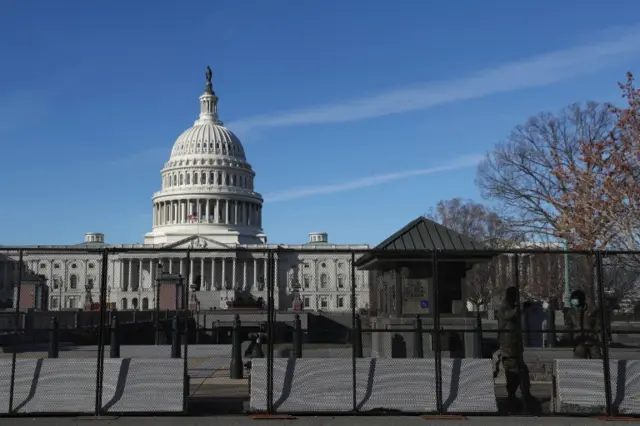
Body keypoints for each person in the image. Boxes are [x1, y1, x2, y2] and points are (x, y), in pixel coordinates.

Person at [497, 286, 532, 404]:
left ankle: (525, 392)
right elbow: (509, 315)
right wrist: (521, 307)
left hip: (515, 345)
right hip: (508, 346)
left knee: (522, 370)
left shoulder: (512, 306)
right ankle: (512, 395)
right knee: (512, 371)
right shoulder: (504, 307)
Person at [564, 289, 602, 359]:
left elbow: (598, 324)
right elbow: (568, 327)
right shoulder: (571, 313)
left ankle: (598, 369)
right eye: (572, 300)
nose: (573, 303)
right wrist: (566, 339)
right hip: (579, 341)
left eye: (575, 300)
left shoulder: (592, 310)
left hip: (592, 340)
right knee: (579, 361)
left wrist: (600, 336)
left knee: (597, 360)